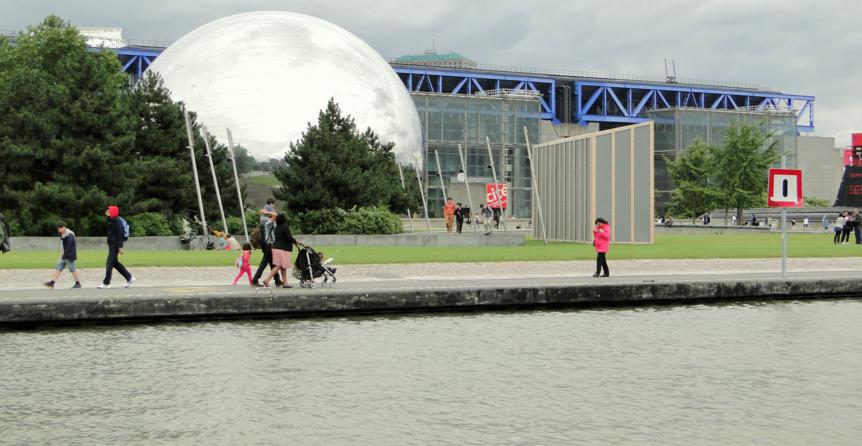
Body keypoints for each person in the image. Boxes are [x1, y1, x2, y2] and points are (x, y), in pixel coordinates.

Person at [99, 205, 134, 289]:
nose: (106, 213)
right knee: (114, 263)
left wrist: (120, 247)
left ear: (113, 212)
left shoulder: (117, 220)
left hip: (115, 245)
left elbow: (120, 234)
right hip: (112, 244)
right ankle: (129, 277)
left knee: (109, 263)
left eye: (108, 211)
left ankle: (106, 283)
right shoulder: (111, 220)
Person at [262, 213, 299, 288]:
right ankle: (267, 279)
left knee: (283, 266)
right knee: (279, 265)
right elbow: (289, 237)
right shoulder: (285, 226)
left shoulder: (277, 227)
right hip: (283, 249)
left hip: (276, 248)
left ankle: (285, 283)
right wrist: (296, 241)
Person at [43, 222, 82, 289]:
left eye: (60, 229)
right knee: (58, 268)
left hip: (69, 255)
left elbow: (69, 245)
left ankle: (78, 283)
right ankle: (52, 283)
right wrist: (63, 255)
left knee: (72, 269)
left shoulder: (70, 234)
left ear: (64, 227)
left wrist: (65, 255)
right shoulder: (63, 234)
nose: (59, 231)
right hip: (64, 255)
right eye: (58, 229)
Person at [252, 201, 282, 287]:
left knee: (272, 263)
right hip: (269, 246)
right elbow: (273, 214)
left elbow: (264, 212)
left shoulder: (264, 223)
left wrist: (268, 212)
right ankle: (255, 280)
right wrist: (271, 212)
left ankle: (277, 280)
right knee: (264, 263)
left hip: (265, 245)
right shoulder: (269, 223)